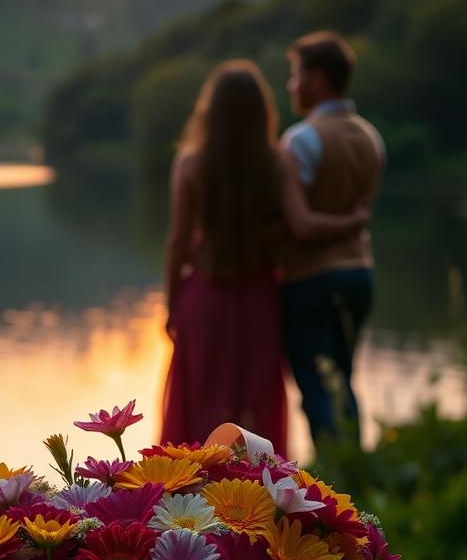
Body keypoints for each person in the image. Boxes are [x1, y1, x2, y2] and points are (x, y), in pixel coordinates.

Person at [161, 59, 369, 454]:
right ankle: (258, 503)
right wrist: (353, 219)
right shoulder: (277, 162)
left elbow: (176, 242)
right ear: (263, 112)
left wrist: (171, 305)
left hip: (204, 299)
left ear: (211, 110)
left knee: (201, 403)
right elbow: (298, 226)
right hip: (259, 300)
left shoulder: (190, 163)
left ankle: (186, 504)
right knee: (254, 407)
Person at [279, 31, 385, 444]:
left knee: (316, 385)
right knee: (344, 378)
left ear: (317, 79)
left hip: (312, 279)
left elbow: (300, 225)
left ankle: (330, 484)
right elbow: (360, 212)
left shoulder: (301, 139)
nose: (290, 85)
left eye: (295, 74)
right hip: (361, 273)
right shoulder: (371, 137)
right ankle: (355, 475)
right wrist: (354, 223)